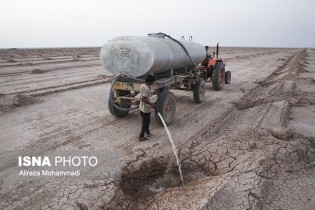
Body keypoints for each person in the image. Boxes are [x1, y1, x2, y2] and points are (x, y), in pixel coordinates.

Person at [139, 74, 156, 141]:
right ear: (150, 82)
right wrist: (151, 104)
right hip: (146, 109)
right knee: (145, 123)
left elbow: (142, 97)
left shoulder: (142, 85)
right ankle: (141, 136)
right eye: (153, 81)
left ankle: (148, 132)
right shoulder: (147, 89)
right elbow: (143, 98)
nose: (153, 83)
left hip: (141, 107)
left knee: (146, 121)